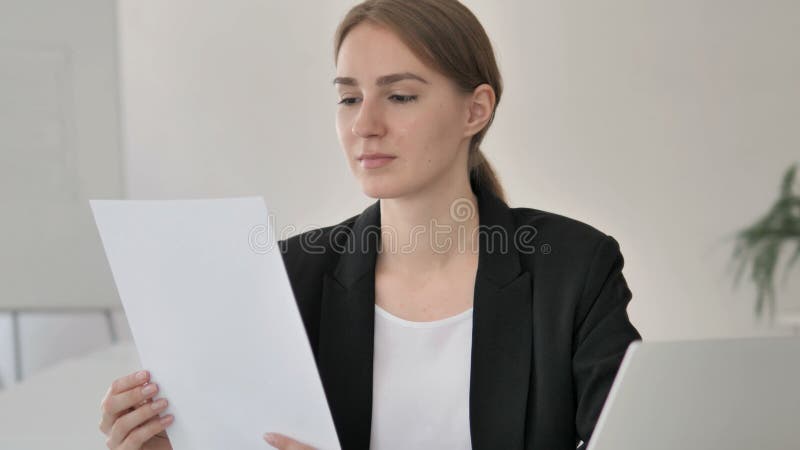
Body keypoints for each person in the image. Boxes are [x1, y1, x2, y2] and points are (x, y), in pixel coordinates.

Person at [98, 1, 642, 449]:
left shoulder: (573, 269)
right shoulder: (288, 277)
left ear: (475, 110)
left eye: (400, 96)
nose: (364, 124)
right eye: (349, 97)